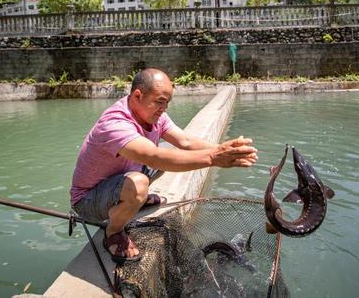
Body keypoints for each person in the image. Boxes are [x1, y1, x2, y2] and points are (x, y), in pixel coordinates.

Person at [70, 68, 258, 263]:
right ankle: (114, 232)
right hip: (87, 200)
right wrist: (214, 158)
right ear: (137, 95)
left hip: (117, 180)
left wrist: (222, 148)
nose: (164, 108)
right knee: (143, 179)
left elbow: (185, 141)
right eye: (160, 101)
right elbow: (154, 157)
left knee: (166, 156)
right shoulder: (115, 124)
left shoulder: (154, 115)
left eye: (167, 102)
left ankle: (135, 199)